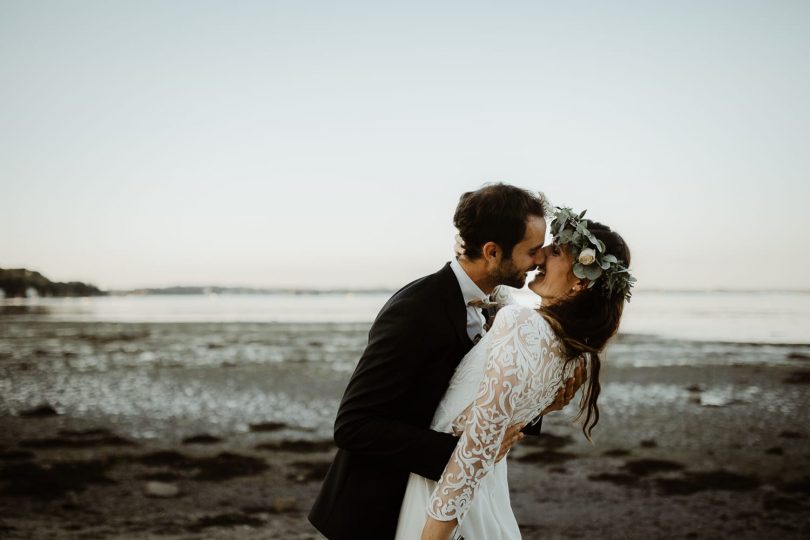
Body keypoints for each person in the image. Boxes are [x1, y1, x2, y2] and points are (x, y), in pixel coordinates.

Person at [308, 184, 583, 540]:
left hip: (445, 497)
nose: (540, 259)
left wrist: (541, 405)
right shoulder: (415, 310)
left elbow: (474, 397)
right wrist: (465, 456)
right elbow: (353, 425)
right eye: (532, 250)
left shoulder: (501, 305)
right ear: (492, 252)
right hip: (379, 509)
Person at [397, 207, 635, 540]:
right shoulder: (568, 352)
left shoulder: (522, 324)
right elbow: (504, 416)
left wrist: (434, 534)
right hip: (487, 492)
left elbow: (477, 445)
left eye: (553, 252)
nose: (539, 258)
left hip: (442, 495)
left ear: (581, 280)